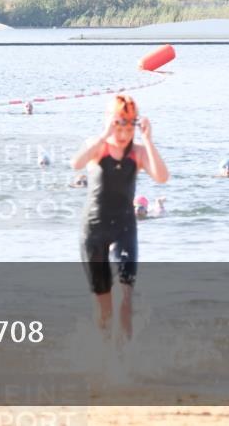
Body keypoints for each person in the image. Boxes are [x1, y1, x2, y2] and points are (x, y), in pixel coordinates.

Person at [70, 95, 169, 346]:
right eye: (119, 127)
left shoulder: (138, 152)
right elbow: (76, 163)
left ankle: (123, 362)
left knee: (125, 297)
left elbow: (161, 177)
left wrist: (148, 140)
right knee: (104, 308)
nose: (124, 134)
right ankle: (103, 355)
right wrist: (105, 134)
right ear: (110, 122)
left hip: (124, 228)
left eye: (129, 128)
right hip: (93, 231)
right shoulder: (98, 146)